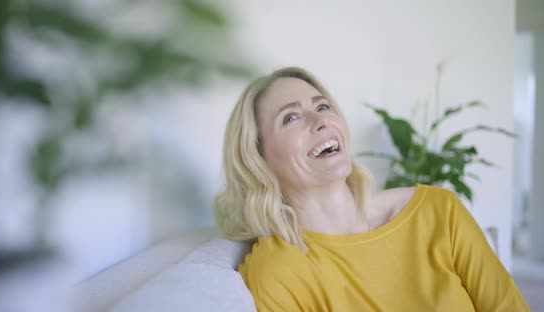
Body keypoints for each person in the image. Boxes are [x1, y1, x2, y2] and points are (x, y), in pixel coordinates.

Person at [213, 66, 529, 311]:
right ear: (258, 159)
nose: (319, 120)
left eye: (323, 106)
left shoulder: (439, 212)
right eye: (291, 117)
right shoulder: (278, 274)